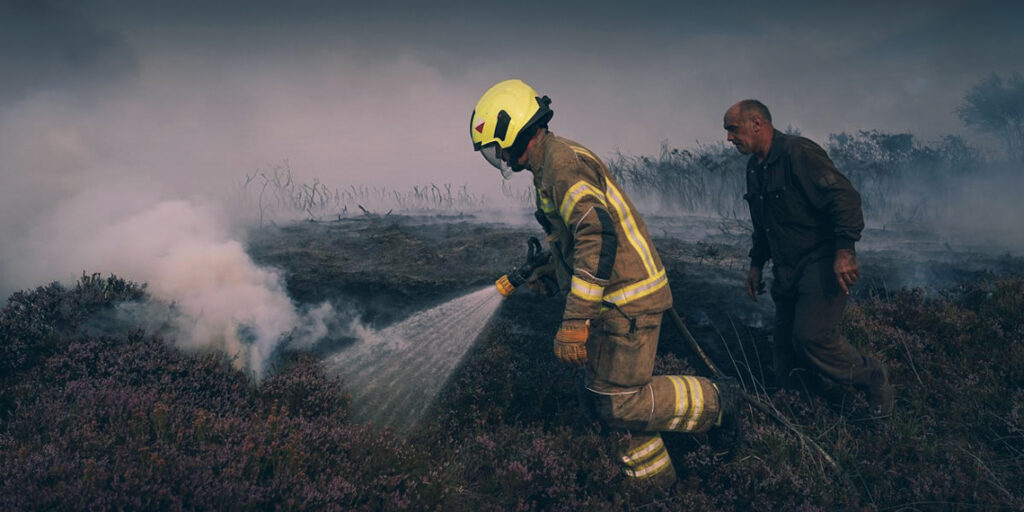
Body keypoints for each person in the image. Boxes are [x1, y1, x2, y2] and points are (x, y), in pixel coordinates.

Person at [471, 79, 742, 487]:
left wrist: (575, 319)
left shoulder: (561, 166)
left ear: (514, 131)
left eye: (498, 147)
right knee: (600, 401)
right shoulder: (550, 165)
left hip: (627, 301)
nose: (502, 159)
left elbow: (596, 234)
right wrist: (552, 272)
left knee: (616, 402)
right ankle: (655, 489)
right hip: (611, 301)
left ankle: (719, 402)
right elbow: (574, 237)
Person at [723, 99, 894, 416]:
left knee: (811, 337)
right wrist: (756, 265)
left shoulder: (798, 153)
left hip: (820, 261)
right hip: (786, 269)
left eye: (734, 129)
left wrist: (845, 250)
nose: (730, 138)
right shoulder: (754, 170)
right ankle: (806, 411)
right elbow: (763, 226)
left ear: (757, 122)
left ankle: (872, 378)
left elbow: (844, 197)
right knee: (785, 351)